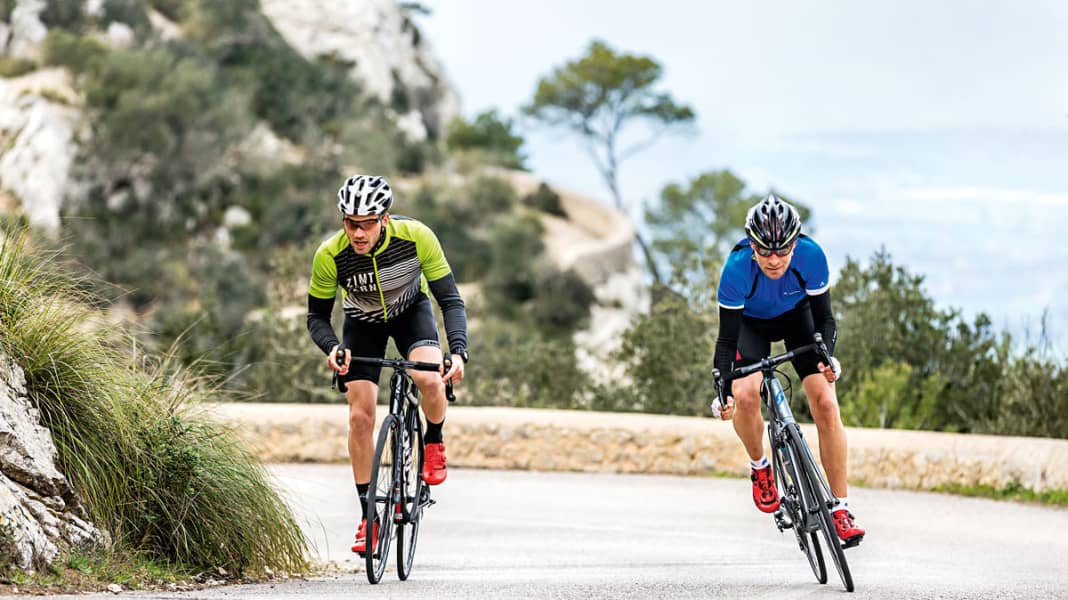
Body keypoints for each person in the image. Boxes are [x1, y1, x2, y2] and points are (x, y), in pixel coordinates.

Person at [306, 174, 469, 555]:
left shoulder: (417, 237)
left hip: (411, 312)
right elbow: (316, 317)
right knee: (360, 417)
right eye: (350, 223)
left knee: (429, 379)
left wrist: (458, 352)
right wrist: (332, 347)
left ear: (384, 218)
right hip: (361, 323)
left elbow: (450, 301)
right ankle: (369, 516)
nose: (357, 233)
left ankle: (433, 439)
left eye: (366, 223)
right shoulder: (330, 255)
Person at [711, 194, 864, 546]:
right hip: (750, 325)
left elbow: (825, 319)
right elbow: (726, 340)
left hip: (798, 318)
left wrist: (827, 358)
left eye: (782, 250)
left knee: (826, 402)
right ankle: (760, 467)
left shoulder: (811, 256)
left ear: (795, 243)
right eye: (764, 251)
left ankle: (841, 509)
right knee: (745, 395)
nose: (775, 260)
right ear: (752, 246)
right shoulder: (736, 269)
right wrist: (722, 390)